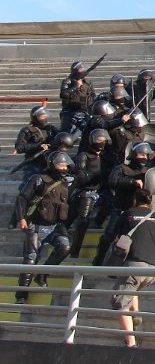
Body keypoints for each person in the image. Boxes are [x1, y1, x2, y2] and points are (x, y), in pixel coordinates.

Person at [14, 152, 73, 303]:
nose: (64, 168)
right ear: (52, 164)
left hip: (55, 226)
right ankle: (22, 294)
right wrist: (21, 218)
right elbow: (22, 198)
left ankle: (42, 274)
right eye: (61, 165)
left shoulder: (66, 182)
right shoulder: (38, 179)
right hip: (36, 225)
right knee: (31, 258)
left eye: (66, 165)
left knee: (65, 247)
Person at [110, 188, 155, 348]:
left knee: (119, 303)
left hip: (134, 264)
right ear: (151, 202)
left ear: (135, 200)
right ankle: (135, 314)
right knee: (132, 288)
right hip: (154, 268)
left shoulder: (127, 214)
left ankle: (131, 343)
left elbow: (116, 236)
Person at [11, 106, 58, 228]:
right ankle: (16, 217)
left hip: (48, 164)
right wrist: (38, 146)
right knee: (25, 191)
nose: (44, 118)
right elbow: (20, 147)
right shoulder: (27, 130)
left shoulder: (51, 129)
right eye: (41, 116)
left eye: (44, 115)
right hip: (33, 164)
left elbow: (60, 140)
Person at [71, 128, 114, 256]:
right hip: (87, 190)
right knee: (83, 220)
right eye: (99, 140)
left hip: (103, 190)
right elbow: (80, 175)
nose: (101, 142)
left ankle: (98, 222)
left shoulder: (107, 157)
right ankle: (75, 249)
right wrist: (95, 175)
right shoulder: (84, 156)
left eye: (103, 140)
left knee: (112, 204)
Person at [59, 61, 96, 134]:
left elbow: (93, 96)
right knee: (66, 133)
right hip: (69, 113)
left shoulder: (87, 83)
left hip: (85, 112)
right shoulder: (67, 82)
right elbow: (63, 94)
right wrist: (75, 87)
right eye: (80, 69)